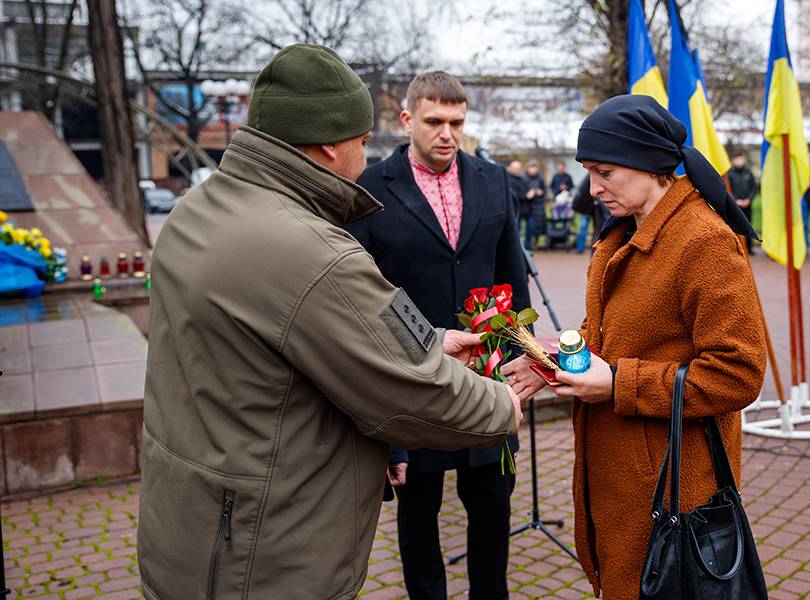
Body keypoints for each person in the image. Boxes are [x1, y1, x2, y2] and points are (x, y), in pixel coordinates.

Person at [137, 45, 522, 600]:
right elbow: (398, 380)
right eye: (363, 141)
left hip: (199, 520)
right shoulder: (312, 249)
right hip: (265, 548)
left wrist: (433, 341)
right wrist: (504, 403)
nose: (366, 155)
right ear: (330, 146)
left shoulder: (196, 210)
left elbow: (310, 325)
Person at [502, 95, 766, 600]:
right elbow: (612, 335)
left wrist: (621, 383)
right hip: (625, 480)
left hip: (673, 488)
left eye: (604, 171)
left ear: (650, 164)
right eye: (588, 171)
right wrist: (552, 363)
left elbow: (738, 373)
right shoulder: (622, 232)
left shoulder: (705, 242)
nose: (592, 188)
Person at [347, 71, 529, 600]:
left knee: (493, 507)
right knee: (418, 516)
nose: (447, 133)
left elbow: (510, 279)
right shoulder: (371, 189)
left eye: (456, 122)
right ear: (407, 120)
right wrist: (390, 431)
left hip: (487, 381)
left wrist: (516, 368)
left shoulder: (493, 180)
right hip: (414, 379)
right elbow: (366, 296)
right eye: (434, 121)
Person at [727, 152, 758, 254]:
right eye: (737, 159)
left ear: (744, 160)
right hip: (736, 205)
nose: (739, 161)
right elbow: (728, 189)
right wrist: (736, 200)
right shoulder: (730, 174)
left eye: (741, 159)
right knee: (736, 226)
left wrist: (749, 199)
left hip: (747, 204)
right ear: (733, 160)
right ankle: (737, 249)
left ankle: (749, 249)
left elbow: (754, 187)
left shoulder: (748, 172)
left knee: (749, 225)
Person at [571, 173, 611, 253]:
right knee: (583, 228)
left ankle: (580, 248)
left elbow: (577, 204)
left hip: (604, 233)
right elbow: (578, 204)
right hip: (592, 212)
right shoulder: (591, 176)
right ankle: (580, 248)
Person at [522, 160, 547, 250]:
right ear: (528, 168)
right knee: (530, 227)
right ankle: (527, 245)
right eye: (532, 168)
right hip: (528, 207)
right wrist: (528, 194)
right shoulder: (523, 178)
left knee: (539, 226)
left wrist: (541, 192)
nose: (534, 170)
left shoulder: (540, 177)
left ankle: (536, 243)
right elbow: (521, 192)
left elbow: (544, 189)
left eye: (535, 168)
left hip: (539, 206)